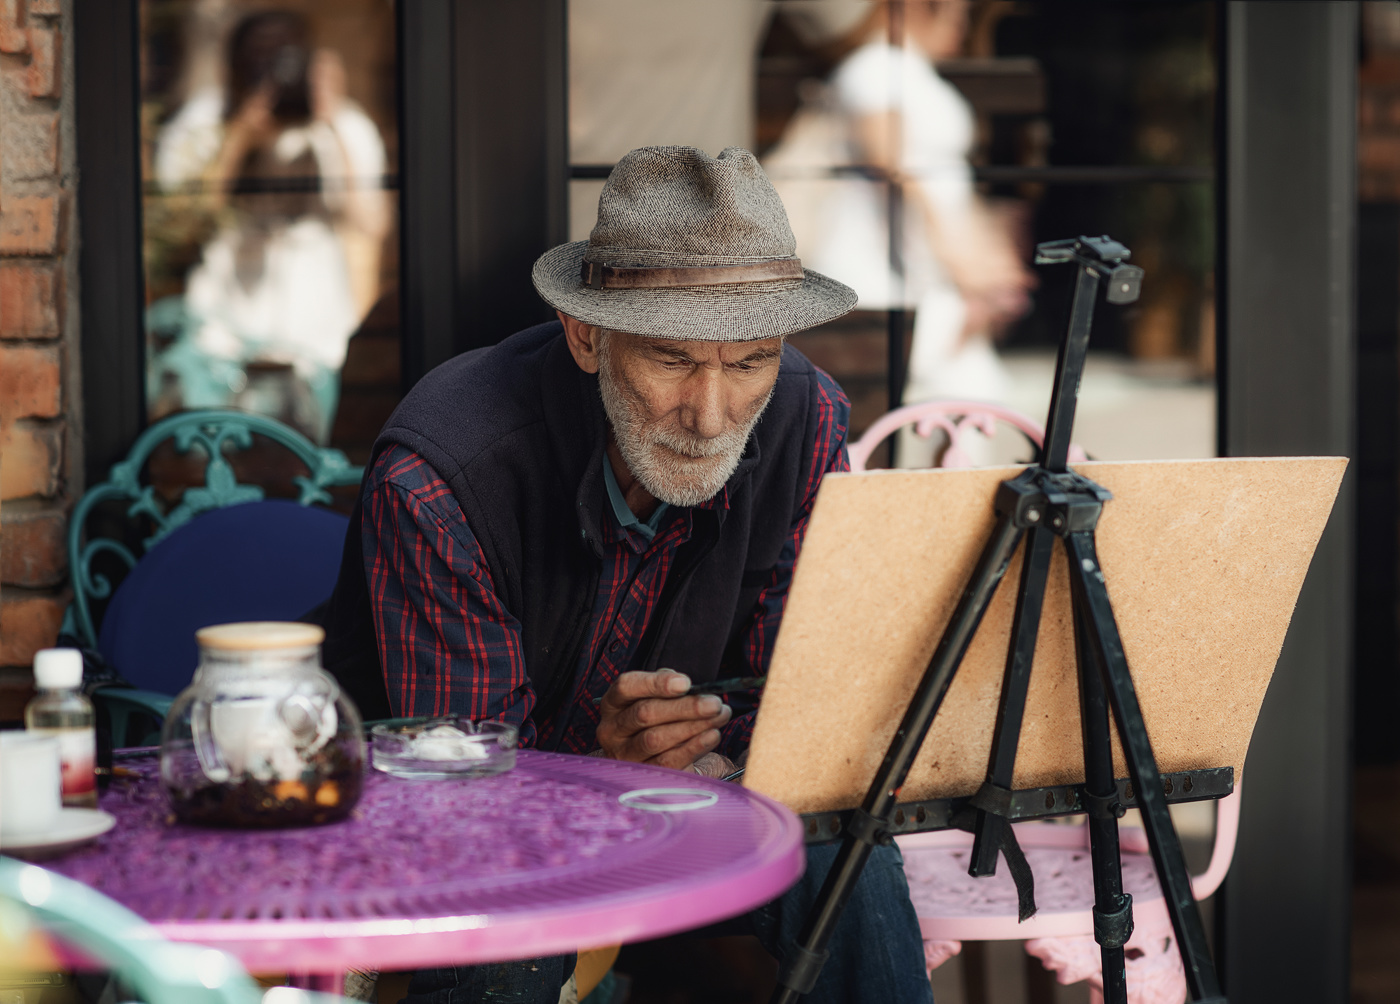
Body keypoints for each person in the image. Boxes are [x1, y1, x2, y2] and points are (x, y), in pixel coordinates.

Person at [323, 146, 933, 1004]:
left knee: (847, 853)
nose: (712, 414)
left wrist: (715, 752)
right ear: (585, 334)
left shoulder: (807, 417)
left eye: (751, 361)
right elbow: (464, 792)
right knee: (507, 937)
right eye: (673, 361)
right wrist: (600, 765)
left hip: (690, 790)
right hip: (437, 826)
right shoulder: (442, 475)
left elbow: (788, 696)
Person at [767, 0, 1033, 464]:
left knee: (966, 408)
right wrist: (960, 256)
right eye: (952, 11)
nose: (961, 22)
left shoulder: (909, 70)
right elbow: (893, 162)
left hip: (926, 272)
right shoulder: (876, 66)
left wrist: (977, 252)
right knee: (923, 416)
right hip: (882, 272)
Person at [149, 10, 390, 443]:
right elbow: (183, 226)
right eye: (260, 61)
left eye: (287, 60)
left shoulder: (342, 123)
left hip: (313, 343)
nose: (275, 76)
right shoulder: (206, 121)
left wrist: (330, 120)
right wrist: (240, 135)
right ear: (234, 68)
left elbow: (372, 222)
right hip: (219, 338)